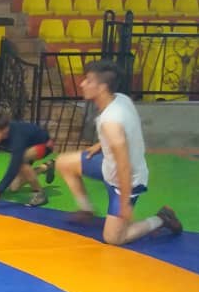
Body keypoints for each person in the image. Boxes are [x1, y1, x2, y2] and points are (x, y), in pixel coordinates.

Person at [55, 60, 182, 245]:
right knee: (63, 162)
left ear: (102, 88)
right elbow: (127, 128)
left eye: (88, 81)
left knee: (114, 238)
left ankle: (162, 218)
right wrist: (102, 143)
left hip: (126, 181)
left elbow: (124, 165)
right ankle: (86, 209)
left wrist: (124, 204)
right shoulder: (121, 99)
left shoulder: (111, 121)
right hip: (108, 166)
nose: (82, 84)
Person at [0, 113, 56, 211]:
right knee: (14, 187)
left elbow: (13, 167)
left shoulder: (17, 136)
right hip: (26, 148)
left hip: (45, 145)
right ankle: (46, 167)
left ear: (4, 131)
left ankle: (39, 193)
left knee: (20, 161)